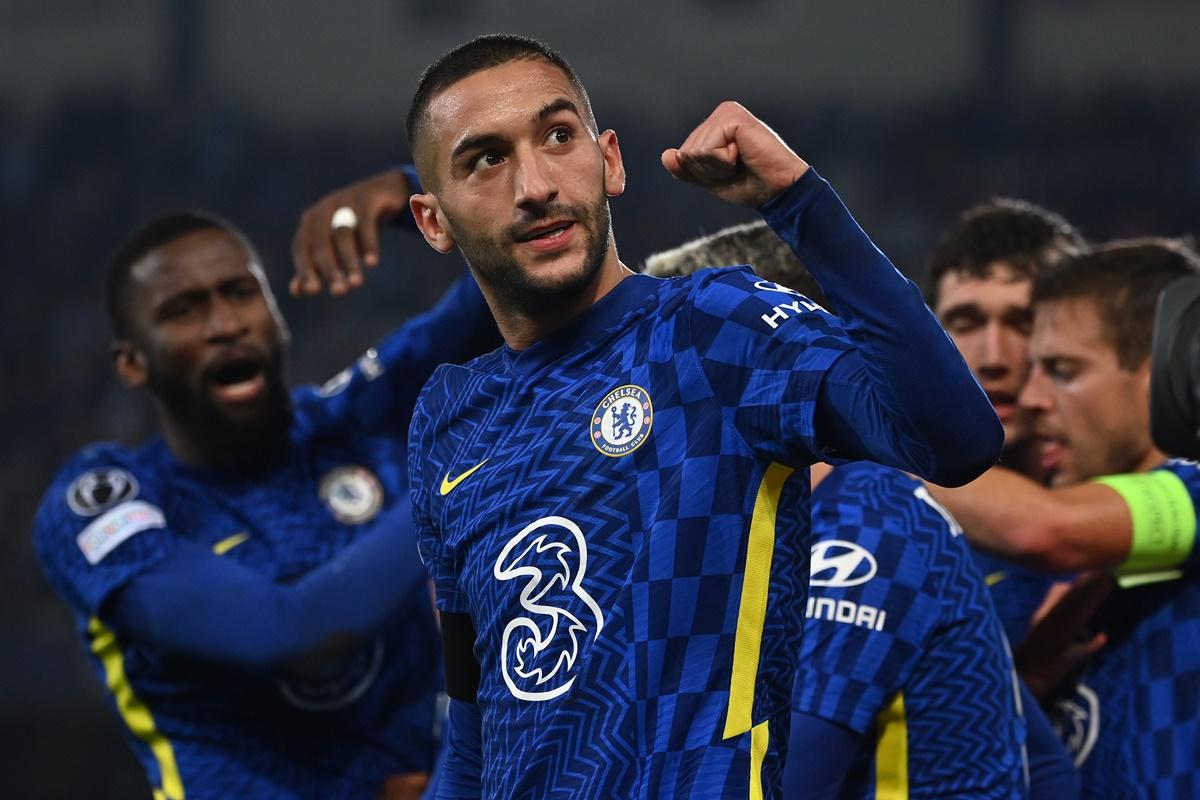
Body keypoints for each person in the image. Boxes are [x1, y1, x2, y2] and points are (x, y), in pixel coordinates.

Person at [387, 33, 1000, 798]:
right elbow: (475, 729)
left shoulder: (713, 327)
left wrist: (800, 202)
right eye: (486, 159)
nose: (536, 184)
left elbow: (955, 440)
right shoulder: (449, 419)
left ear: (608, 160)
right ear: (432, 220)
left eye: (556, 136)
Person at [32, 201, 499, 799]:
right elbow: (296, 635)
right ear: (132, 364)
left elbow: (507, 282)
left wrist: (417, 197)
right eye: (183, 310)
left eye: (241, 293)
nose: (225, 324)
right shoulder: (105, 502)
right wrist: (452, 484)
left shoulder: (347, 422)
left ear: (278, 317)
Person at [648, 223, 1078, 799]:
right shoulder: (780, 532)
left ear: (757, 367)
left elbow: (782, 782)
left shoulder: (865, 520)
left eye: (670, 368)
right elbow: (1048, 775)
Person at [927, 239, 1200, 796]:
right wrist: (1026, 684)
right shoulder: (1080, 581)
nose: (1030, 396)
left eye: (1062, 371)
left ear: (1159, 374)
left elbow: (1043, 529)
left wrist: (871, 450)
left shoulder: (1194, 491)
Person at [925, 198, 1085, 646]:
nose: (993, 358)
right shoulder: (879, 520)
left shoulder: (1144, 484)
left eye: (1024, 322)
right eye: (966, 321)